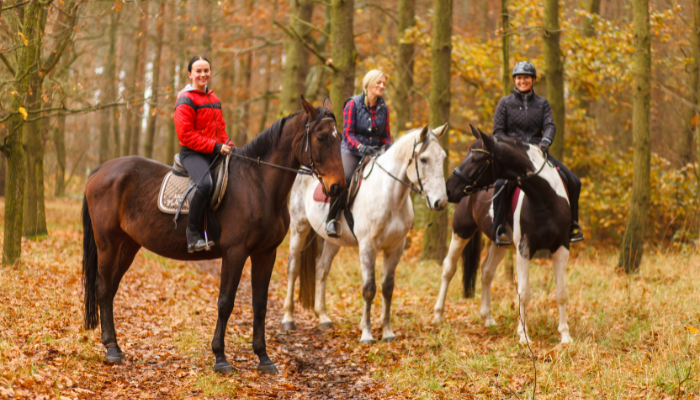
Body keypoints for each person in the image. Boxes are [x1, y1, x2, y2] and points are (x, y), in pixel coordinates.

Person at [491, 61, 584, 246]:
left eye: (526, 77)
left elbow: (549, 126)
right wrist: (512, 147)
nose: (522, 81)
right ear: (515, 80)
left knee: (574, 181)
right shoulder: (504, 103)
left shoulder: (542, 104)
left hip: (538, 154)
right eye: (519, 78)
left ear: (533, 80)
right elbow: (498, 131)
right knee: (501, 183)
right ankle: (499, 227)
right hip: (514, 156)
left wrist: (544, 143)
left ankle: (572, 224)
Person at [174, 56, 233, 253]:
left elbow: (221, 131)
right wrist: (216, 147)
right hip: (192, 153)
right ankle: (192, 235)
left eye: (206, 70)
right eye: (198, 71)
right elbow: (186, 135)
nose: (203, 75)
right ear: (190, 74)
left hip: (213, 151)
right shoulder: (186, 99)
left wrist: (229, 145)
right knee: (206, 184)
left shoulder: (214, 99)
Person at [326, 69, 393, 238]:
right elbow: (347, 134)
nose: (382, 86)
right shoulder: (352, 104)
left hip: (375, 153)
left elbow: (385, 136)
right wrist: (361, 147)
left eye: (384, 83)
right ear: (369, 84)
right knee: (344, 178)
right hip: (351, 151)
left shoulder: (384, 108)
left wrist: (389, 149)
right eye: (378, 82)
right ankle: (331, 219)